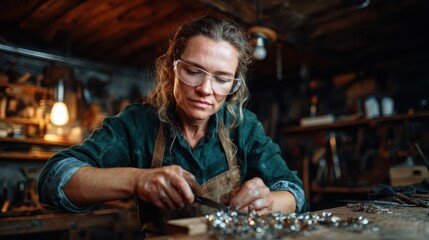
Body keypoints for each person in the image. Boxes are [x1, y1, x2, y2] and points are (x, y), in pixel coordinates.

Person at [38, 15, 305, 234]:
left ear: (234, 84)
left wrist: (268, 202)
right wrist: (138, 180)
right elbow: (55, 180)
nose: (205, 89)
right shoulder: (138, 124)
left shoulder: (243, 126)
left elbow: (294, 192)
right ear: (171, 69)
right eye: (193, 72)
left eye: (222, 78)